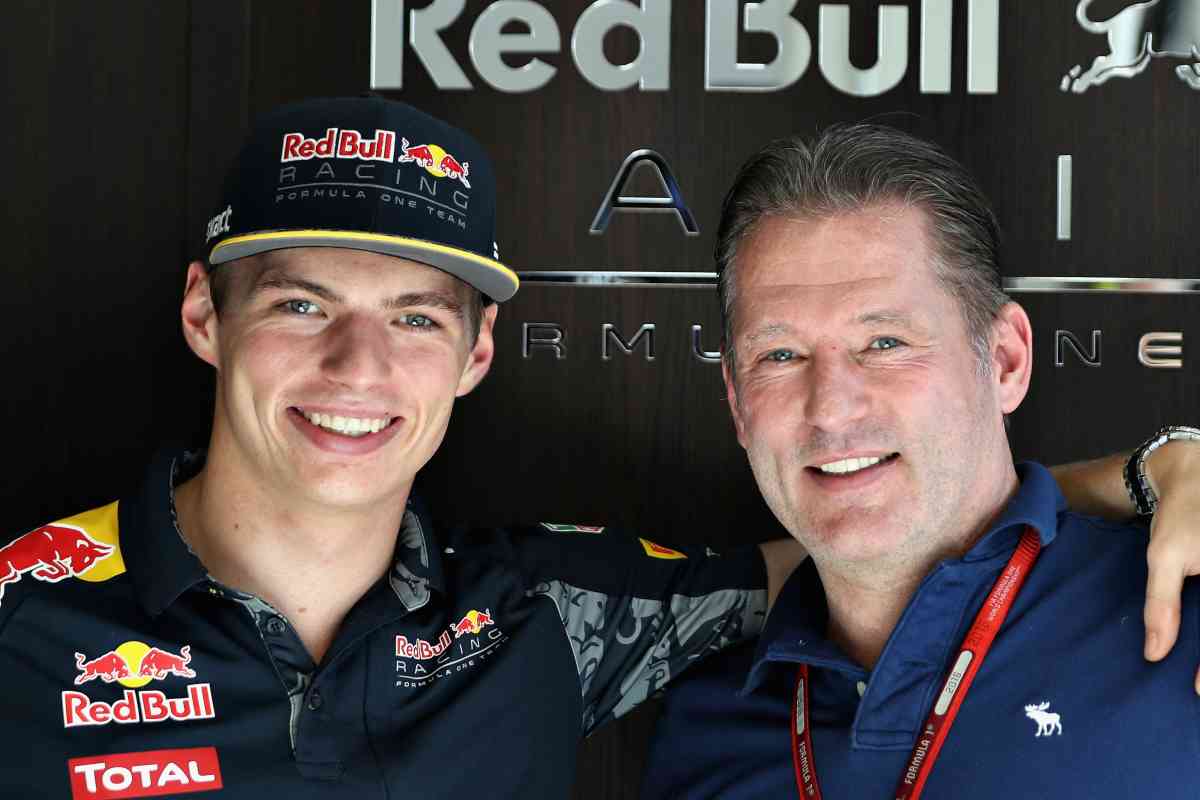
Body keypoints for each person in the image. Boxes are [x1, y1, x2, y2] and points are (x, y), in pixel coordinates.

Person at [0, 99, 1190, 800]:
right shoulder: (16, 613)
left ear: (474, 353)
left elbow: (867, 534)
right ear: (206, 315)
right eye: (301, 305)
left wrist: (1152, 468)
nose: (359, 370)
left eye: (416, 316)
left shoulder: (546, 613)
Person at [641, 124, 1200, 799]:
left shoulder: (1180, 627)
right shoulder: (706, 726)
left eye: (884, 341)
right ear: (736, 401)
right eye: (780, 355)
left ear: (1005, 361)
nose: (833, 408)